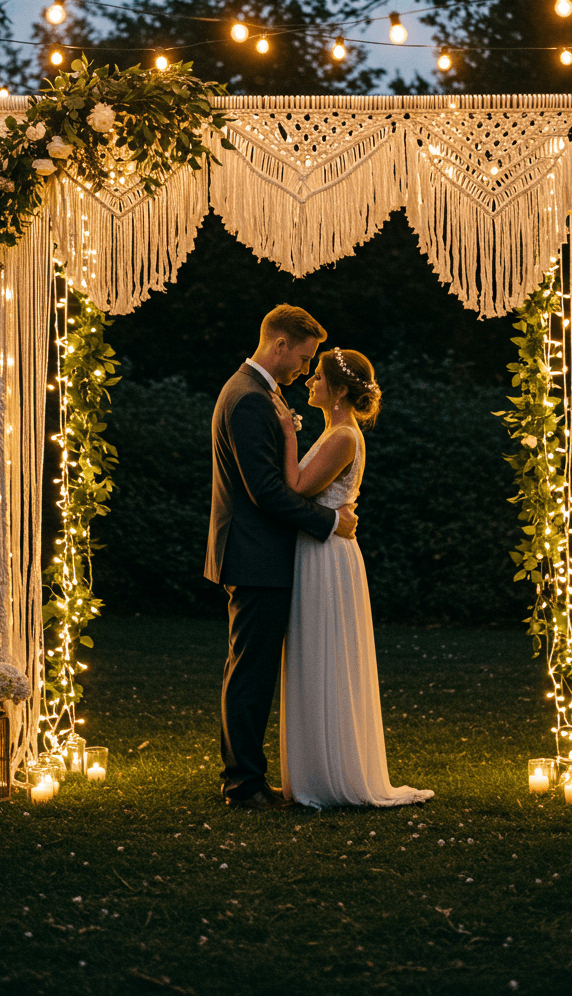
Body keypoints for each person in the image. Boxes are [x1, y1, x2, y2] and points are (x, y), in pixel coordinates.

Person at [206, 305, 358, 811]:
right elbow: (266, 491)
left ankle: (247, 777)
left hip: (260, 554)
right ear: (280, 345)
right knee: (251, 672)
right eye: (303, 356)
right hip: (255, 556)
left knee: (252, 668)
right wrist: (329, 523)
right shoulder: (248, 398)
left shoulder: (256, 392)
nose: (303, 369)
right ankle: (244, 784)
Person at [272, 347, 434, 808]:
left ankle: (329, 774)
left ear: (339, 390)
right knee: (314, 653)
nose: (309, 383)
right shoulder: (335, 432)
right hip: (320, 547)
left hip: (327, 555)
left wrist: (287, 434)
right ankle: (316, 769)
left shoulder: (343, 436)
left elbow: (297, 488)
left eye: (318, 378)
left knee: (326, 653)